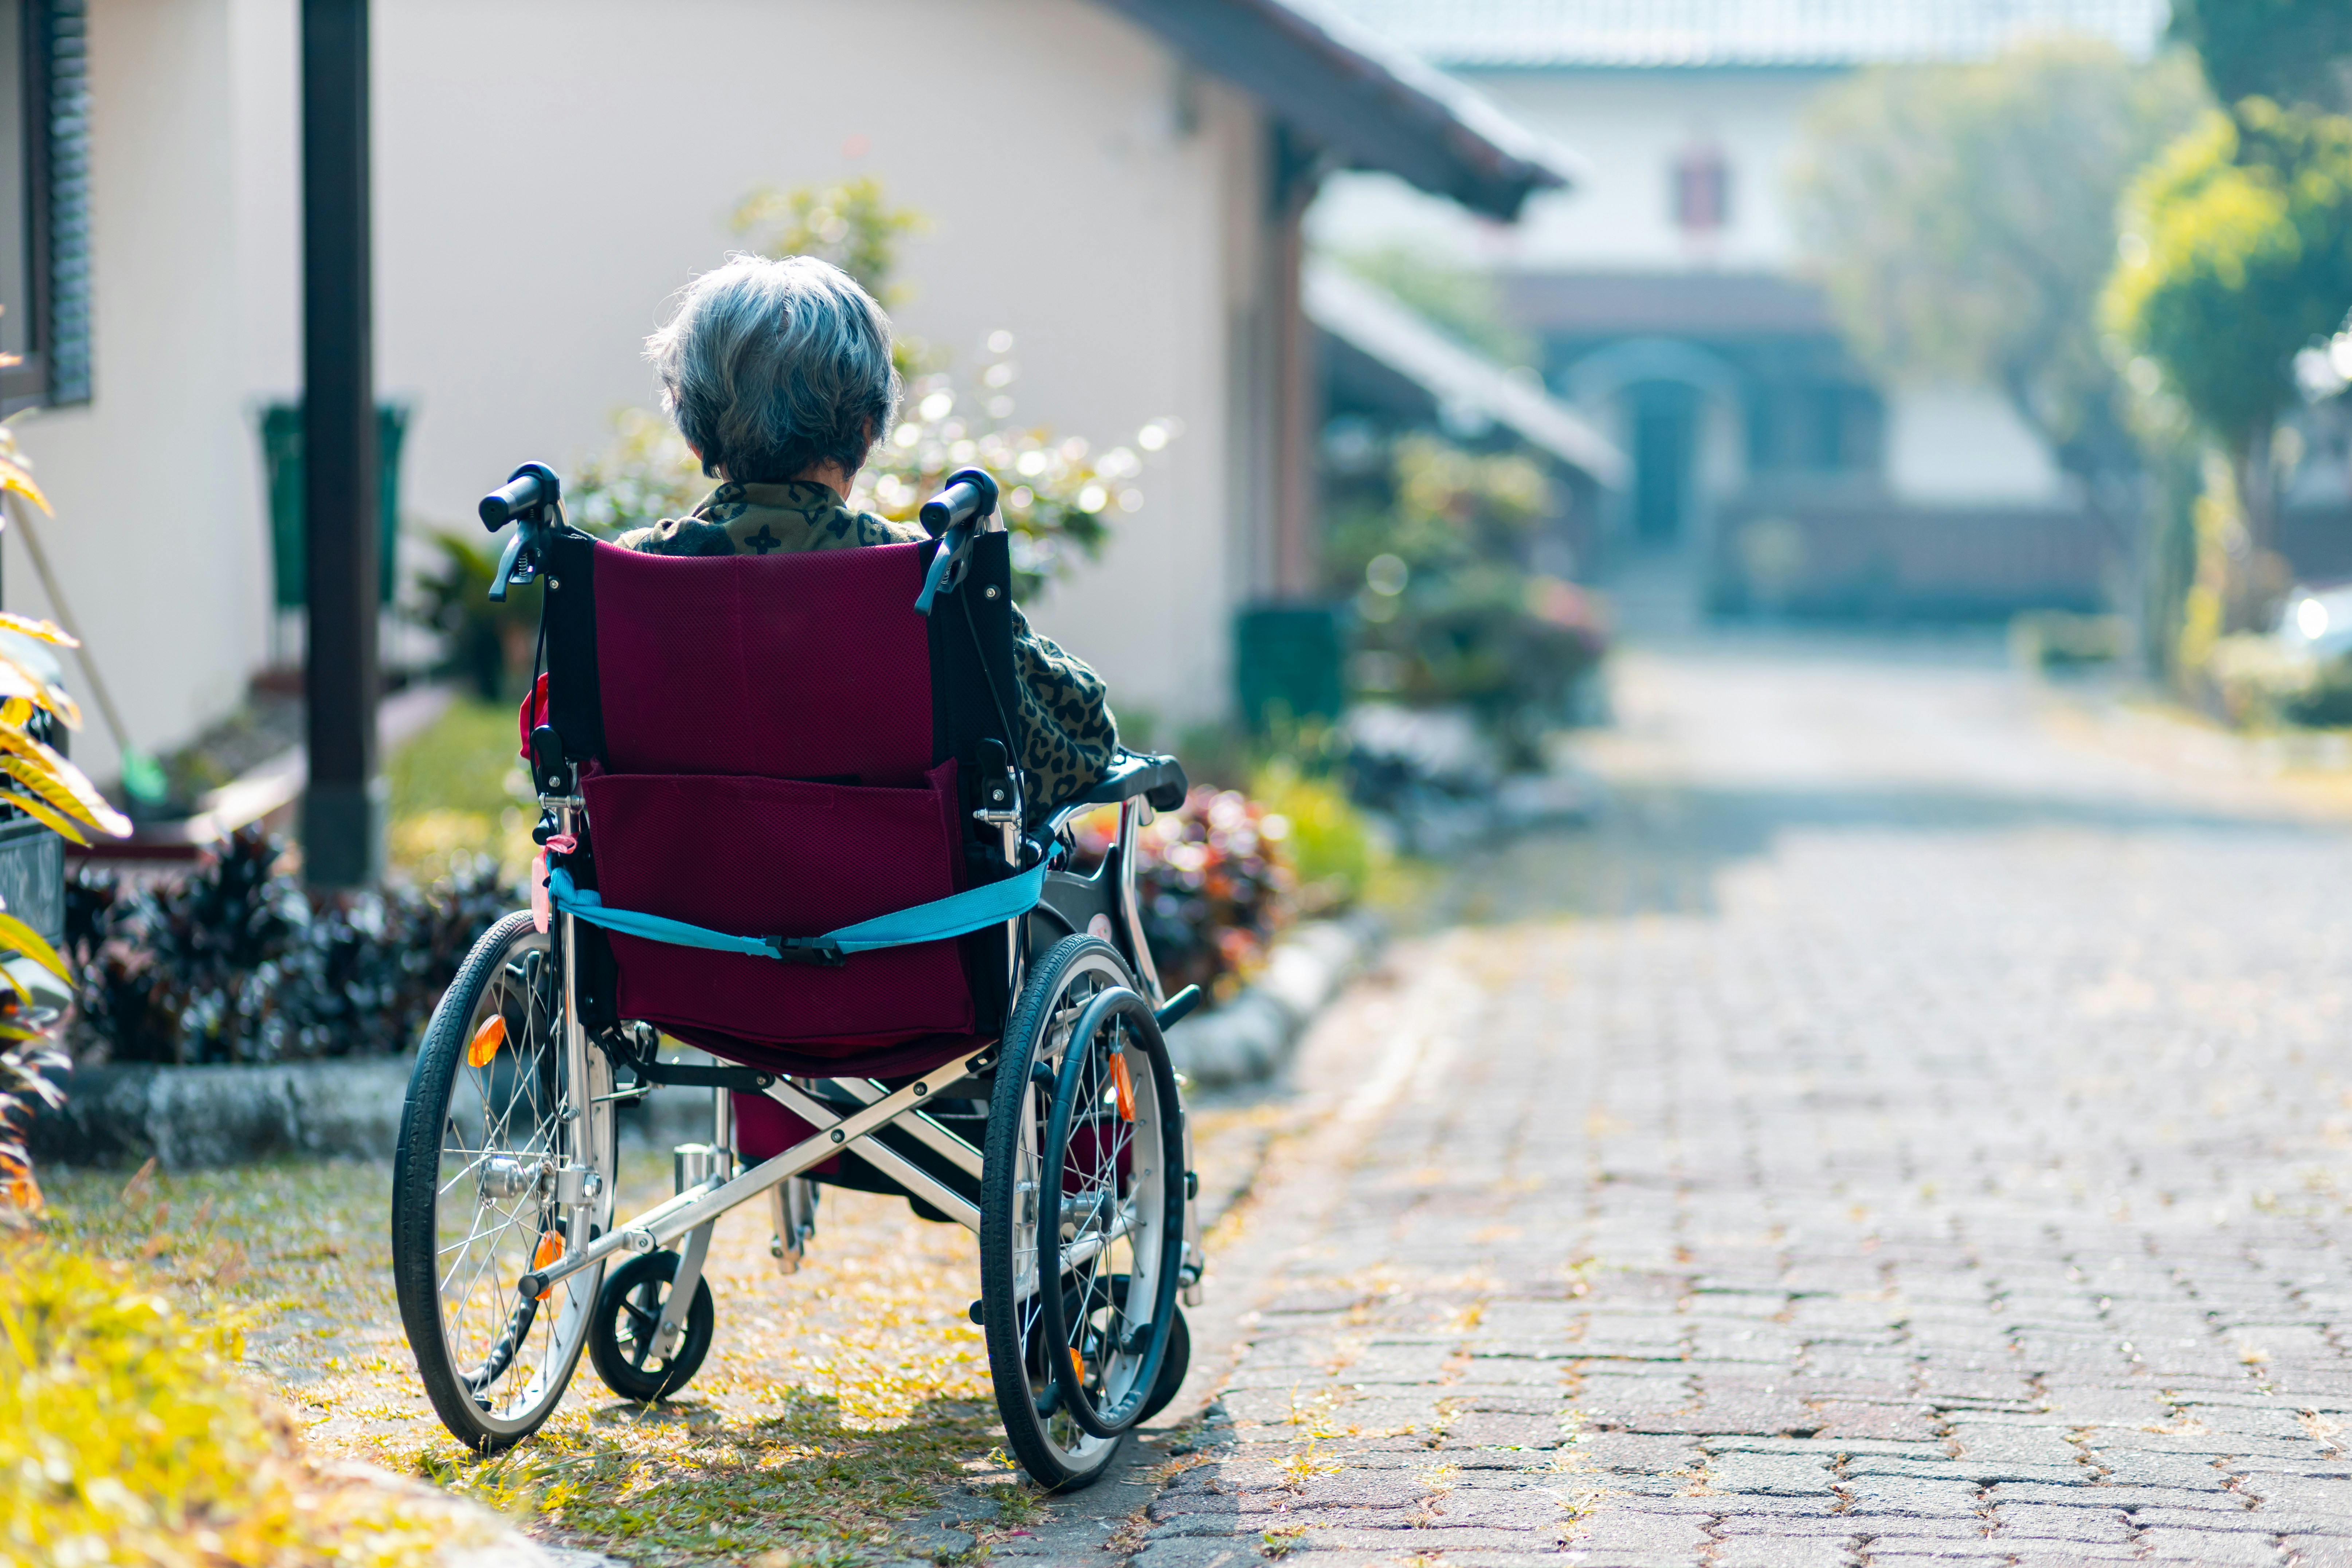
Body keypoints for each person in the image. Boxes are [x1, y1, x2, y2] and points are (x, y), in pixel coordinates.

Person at [620, 254, 1118, 815]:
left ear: (696, 437)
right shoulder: (927, 573)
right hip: (899, 898)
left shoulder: (626, 579)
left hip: (674, 897)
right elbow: (1080, 743)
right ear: (865, 432)